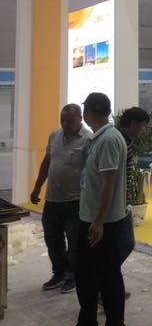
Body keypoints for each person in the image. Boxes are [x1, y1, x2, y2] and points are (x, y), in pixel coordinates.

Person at [75, 92, 128, 326]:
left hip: (102, 222)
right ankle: (87, 319)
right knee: (88, 274)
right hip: (93, 217)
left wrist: (98, 221)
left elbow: (108, 182)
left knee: (107, 277)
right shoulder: (102, 138)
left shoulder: (108, 140)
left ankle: (115, 322)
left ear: (87, 113)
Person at [30, 103, 90, 294]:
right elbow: (47, 162)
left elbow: (91, 172)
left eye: (69, 120)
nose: (65, 123)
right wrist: (37, 187)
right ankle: (59, 273)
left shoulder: (88, 139)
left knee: (74, 242)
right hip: (52, 200)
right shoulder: (54, 135)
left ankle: (73, 276)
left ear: (80, 119)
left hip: (75, 201)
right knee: (52, 240)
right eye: (62, 119)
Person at [116, 107, 149, 267]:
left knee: (125, 243)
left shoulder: (125, 141)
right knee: (126, 242)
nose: (143, 131)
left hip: (122, 201)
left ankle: (107, 274)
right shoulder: (119, 141)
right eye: (142, 126)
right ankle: (106, 275)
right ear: (133, 124)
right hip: (117, 203)